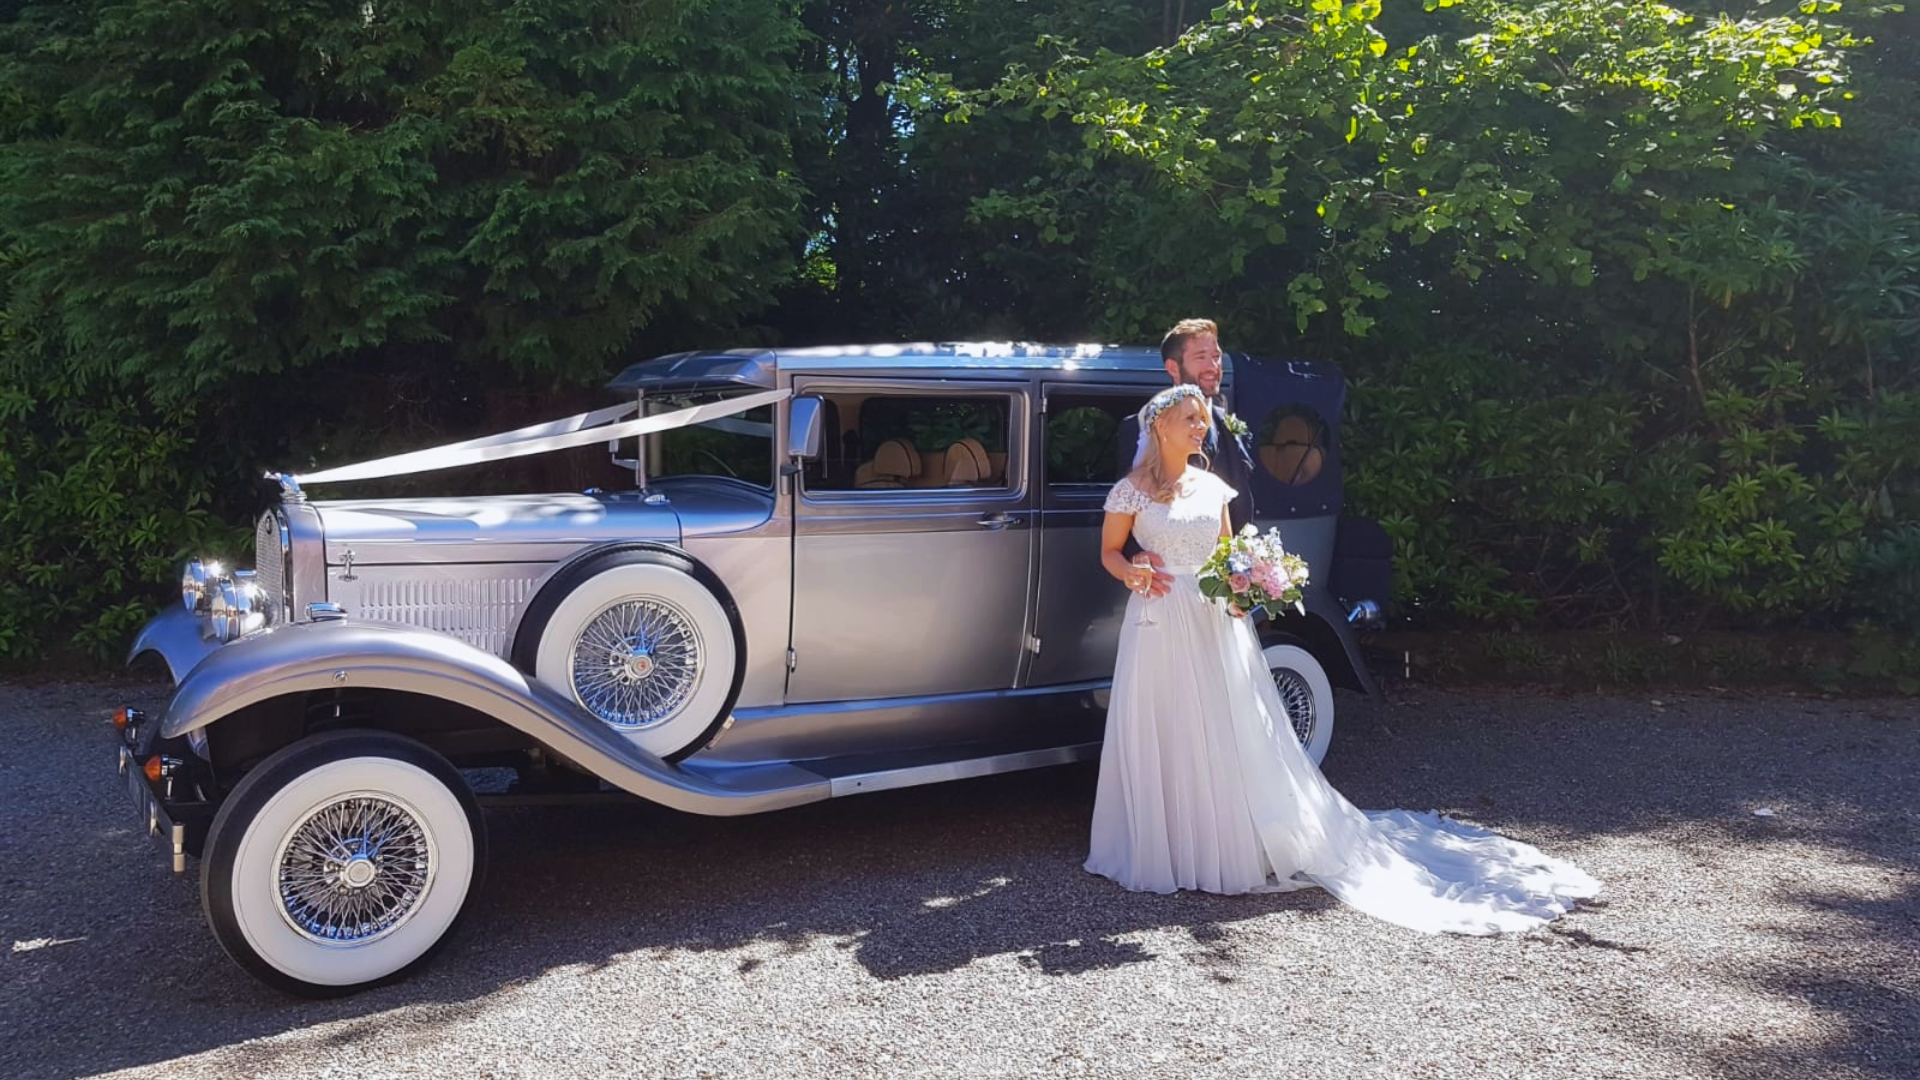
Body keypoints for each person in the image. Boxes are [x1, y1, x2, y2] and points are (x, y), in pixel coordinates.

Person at [1087, 383, 1600, 934]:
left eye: (1201, 420)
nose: (1199, 428)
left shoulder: (1213, 487)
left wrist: (1242, 588)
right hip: (1158, 619)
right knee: (1165, 720)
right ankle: (1163, 845)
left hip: (1214, 619)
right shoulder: (1130, 492)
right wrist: (1131, 571)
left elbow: (1227, 554)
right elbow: (1110, 552)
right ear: (1160, 426)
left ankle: (1221, 843)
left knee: (1220, 722)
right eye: (1189, 418)